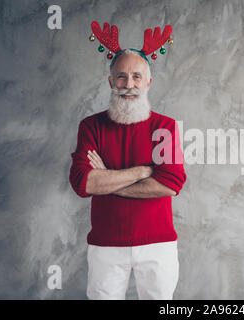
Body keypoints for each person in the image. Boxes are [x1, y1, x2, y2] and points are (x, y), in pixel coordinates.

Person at [69, 48, 187, 300]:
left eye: (136, 76)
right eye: (121, 77)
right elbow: (82, 182)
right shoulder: (91, 126)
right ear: (111, 82)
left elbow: (171, 184)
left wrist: (108, 179)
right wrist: (143, 172)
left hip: (158, 243)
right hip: (106, 242)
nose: (129, 84)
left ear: (148, 83)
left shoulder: (164, 127)